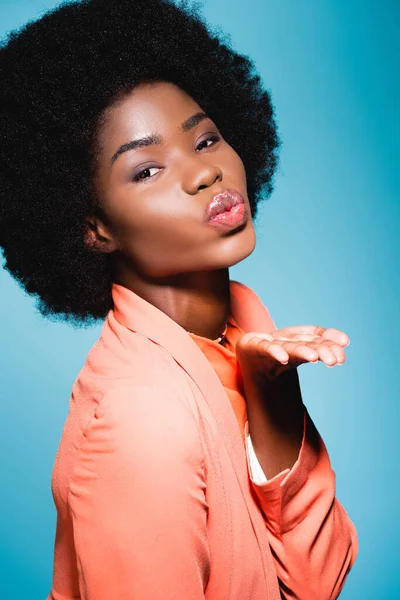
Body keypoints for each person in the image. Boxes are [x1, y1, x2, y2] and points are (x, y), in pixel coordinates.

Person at [0, 0, 358, 598]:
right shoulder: (138, 421)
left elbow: (316, 585)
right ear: (94, 228)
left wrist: (271, 397)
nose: (204, 174)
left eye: (206, 139)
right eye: (146, 170)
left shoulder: (244, 330)